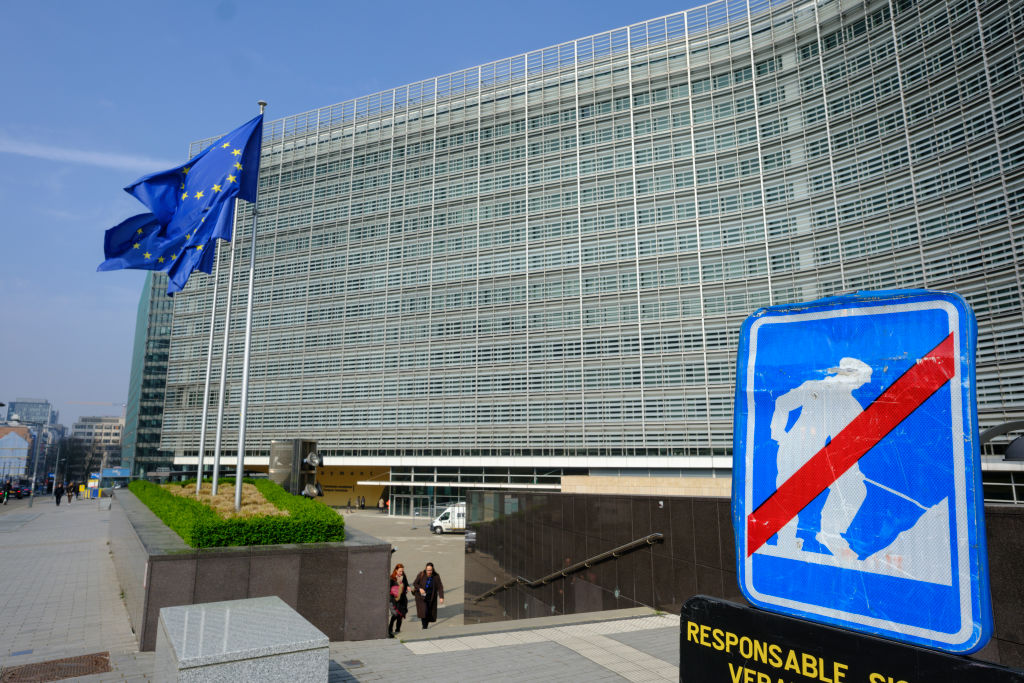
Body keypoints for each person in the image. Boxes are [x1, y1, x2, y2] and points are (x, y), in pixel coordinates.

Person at [413, 562, 444, 629]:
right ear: (425, 569)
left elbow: (440, 587)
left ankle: (425, 626)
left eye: (430, 570)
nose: (429, 572)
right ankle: (424, 627)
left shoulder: (436, 576)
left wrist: (441, 597)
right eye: (428, 570)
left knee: (428, 613)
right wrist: (420, 588)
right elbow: (415, 583)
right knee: (424, 611)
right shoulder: (421, 574)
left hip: (431, 597)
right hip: (421, 597)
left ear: (433, 569)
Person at [388, 563, 412, 638]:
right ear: (396, 570)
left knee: (400, 615)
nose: (401, 573)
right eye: (400, 571)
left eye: (402, 571)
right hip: (394, 599)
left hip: (402, 599)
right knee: (395, 614)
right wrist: (394, 593)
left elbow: (406, 584)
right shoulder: (392, 578)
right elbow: (389, 589)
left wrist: (407, 587)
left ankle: (397, 629)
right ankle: (389, 629)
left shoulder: (403, 577)